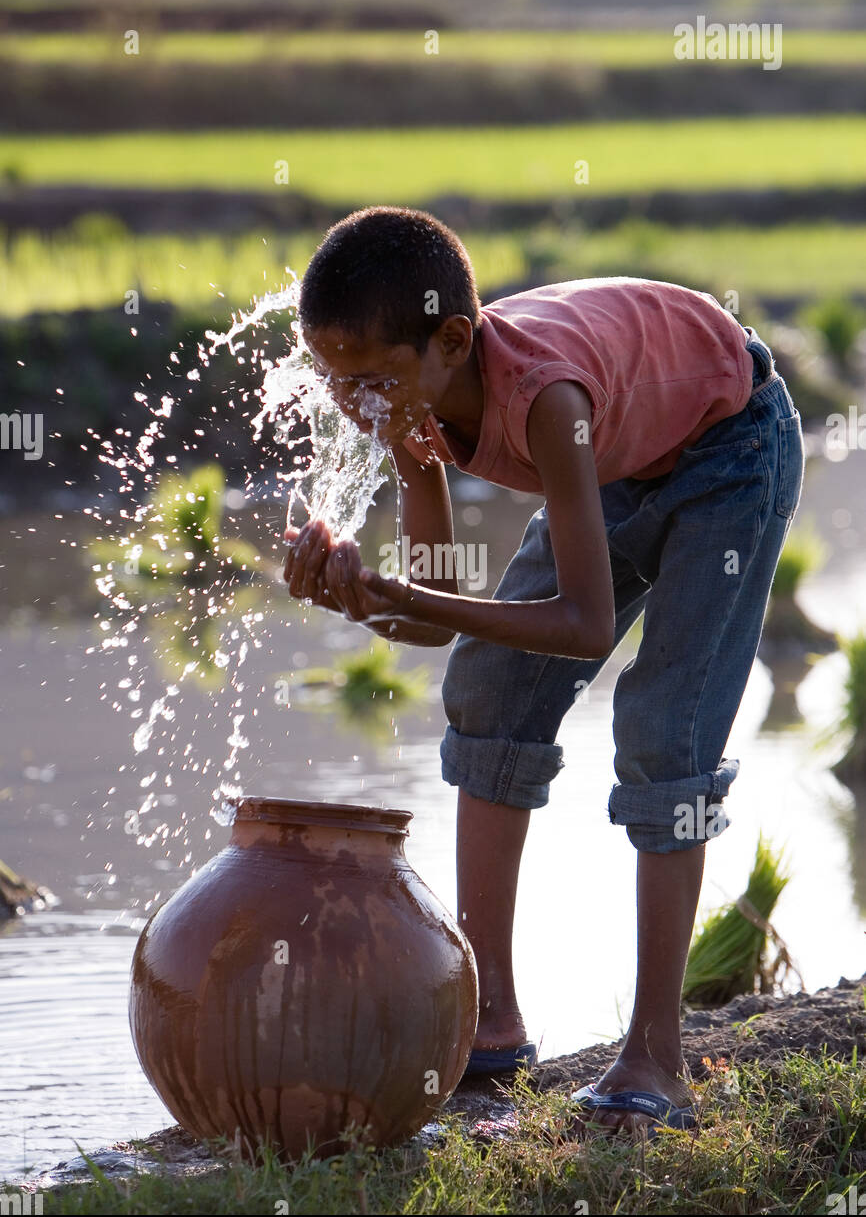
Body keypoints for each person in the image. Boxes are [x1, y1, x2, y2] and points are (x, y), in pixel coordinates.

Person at [282, 205, 805, 1135]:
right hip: (627, 450)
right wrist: (361, 598)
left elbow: (582, 621)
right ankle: (489, 1024)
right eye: (335, 382)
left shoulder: (545, 401)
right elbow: (435, 621)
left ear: (450, 341)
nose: (354, 405)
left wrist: (402, 594)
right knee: (487, 691)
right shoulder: (412, 404)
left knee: (664, 732)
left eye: (371, 381)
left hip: (729, 444)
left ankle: (657, 1057)